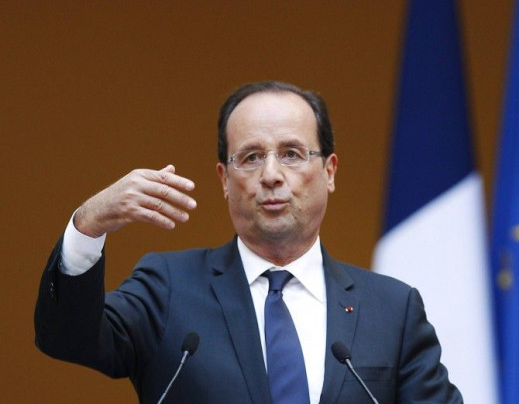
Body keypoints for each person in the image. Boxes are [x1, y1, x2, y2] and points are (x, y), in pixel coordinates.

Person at [35, 81, 463, 404]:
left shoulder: (392, 310)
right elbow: (67, 338)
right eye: (252, 156)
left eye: (293, 153)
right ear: (224, 179)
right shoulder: (169, 288)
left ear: (330, 172)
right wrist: (89, 224)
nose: (271, 175)